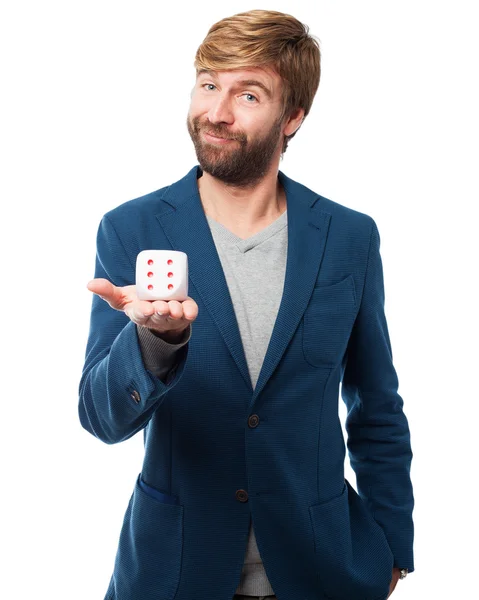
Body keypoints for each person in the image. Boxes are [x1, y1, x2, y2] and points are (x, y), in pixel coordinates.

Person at [79, 9, 414, 600]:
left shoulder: (349, 237)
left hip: (322, 572)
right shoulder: (131, 228)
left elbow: (377, 406)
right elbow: (101, 418)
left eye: (248, 94)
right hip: (175, 572)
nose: (217, 112)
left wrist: (395, 548)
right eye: (208, 84)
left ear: (293, 118)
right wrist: (153, 345)